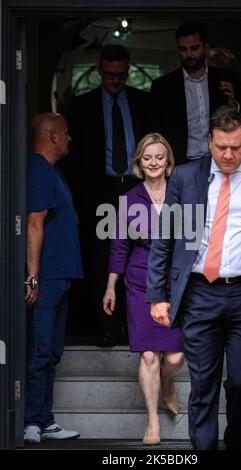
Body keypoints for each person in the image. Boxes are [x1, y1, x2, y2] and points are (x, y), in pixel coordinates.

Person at [146, 107, 241, 450]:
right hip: (200, 294)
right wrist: (157, 295)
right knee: (203, 385)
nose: (228, 155)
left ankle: (235, 443)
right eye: (221, 147)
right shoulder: (185, 177)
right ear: (210, 143)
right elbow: (164, 239)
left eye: (235, 147)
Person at [64, 44, 149, 347]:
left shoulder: (143, 102)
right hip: (99, 191)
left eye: (121, 74)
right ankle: (108, 327)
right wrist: (76, 201)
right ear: (100, 70)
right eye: (110, 74)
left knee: (139, 254)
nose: (115, 80)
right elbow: (71, 159)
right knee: (102, 258)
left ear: (128, 70)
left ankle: (132, 324)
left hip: (137, 187)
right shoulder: (82, 106)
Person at [103, 133, 185, 445]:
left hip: (175, 282)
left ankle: (166, 382)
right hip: (139, 280)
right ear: (139, 162)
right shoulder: (129, 200)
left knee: (175, 357)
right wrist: (111, 286)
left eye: (159, 157)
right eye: (147, 158)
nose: (153, 163)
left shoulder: (182, 194)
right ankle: (153, 421)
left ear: (168, 162)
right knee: (149, 354)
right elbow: (119, 247)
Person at [24, 113, 83, 444]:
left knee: (52, 350)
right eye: (66, 133)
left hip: (61, 275)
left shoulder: (51, 171)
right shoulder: (37, 169)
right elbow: (34, 223)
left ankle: (45, 419)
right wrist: (33, 277)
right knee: (39, 350)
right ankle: (31, 421)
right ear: (52, 137)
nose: (70, 139)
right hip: (46, 278)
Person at [148, 21, 241, 164]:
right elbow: (155, 132)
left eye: (194, 48)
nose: (189, 55)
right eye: (183, 49)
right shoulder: (162, 86)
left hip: (221, 162)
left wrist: (233, 104)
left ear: (205, 47)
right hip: (180, 165)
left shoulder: (227, 79)